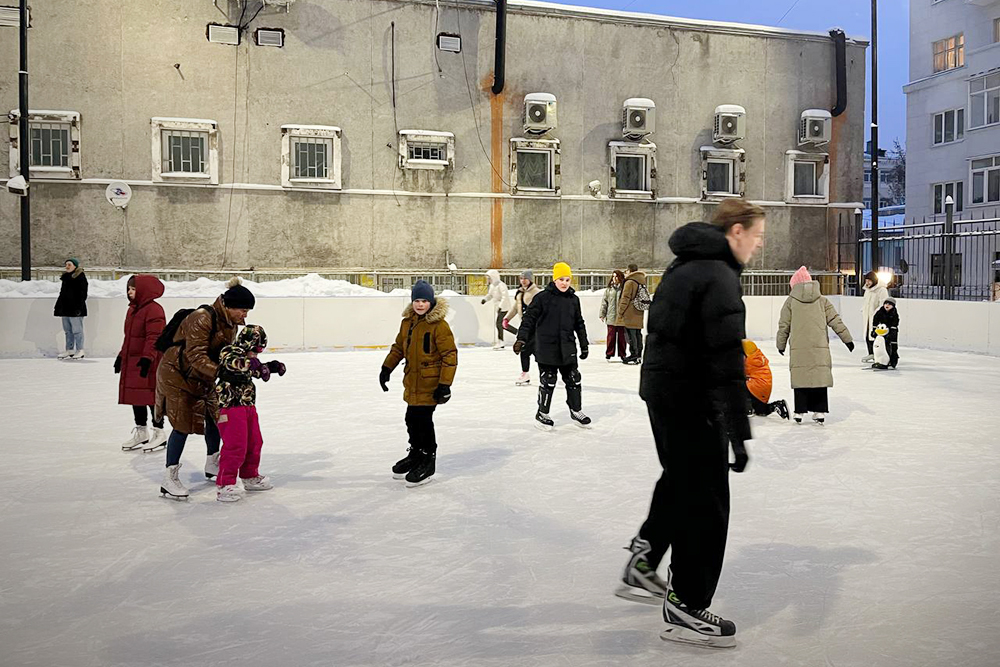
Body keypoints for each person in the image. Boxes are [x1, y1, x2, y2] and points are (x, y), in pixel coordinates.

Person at [617, 198, 766, 649]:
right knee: (708, 503)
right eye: (756, 235)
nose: (758, 245)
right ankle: (685, 606)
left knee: (682, 482)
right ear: (735, 232)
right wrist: (739, 433)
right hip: (693, 401)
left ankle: (644, 557)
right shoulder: (718, 275)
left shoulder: (685, 266)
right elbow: (725, 361)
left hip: (664, 396)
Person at [156, 277, 252, 500]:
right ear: (229, 306)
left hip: (202, 375)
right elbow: (195, 354)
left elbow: (225, 352)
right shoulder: (202, 318)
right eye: (243, 310)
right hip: (177, 374)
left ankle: (212, 463)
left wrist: (242, 366)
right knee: (182, 423)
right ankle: (169, 477)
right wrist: (221, 371)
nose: (245, 315)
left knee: (214, 415)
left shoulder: (231, 323)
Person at [380, 280, 458, 487]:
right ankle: (415, 453)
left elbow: (449, 355)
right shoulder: (408, 323)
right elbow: (398, 348)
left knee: (422, 421)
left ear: (431, 302)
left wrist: (445, 384)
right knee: (411, 419)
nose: (420, 304)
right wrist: (386, 368)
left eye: (424, 300)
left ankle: (428, 459)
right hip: (412, 381)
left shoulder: (439, 325)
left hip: (430, 383)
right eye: (417, 300)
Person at [514, 262, 590, 431]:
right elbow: (529, 320)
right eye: (561, 279)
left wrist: (584, 344)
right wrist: (521, 339)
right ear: (554, 279)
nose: (564, 283)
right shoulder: (542, 298)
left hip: (568, 347)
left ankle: (576, 410)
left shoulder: (573, 300)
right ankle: (542, 413)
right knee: (548, 380)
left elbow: (579, 323)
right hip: (547, 348)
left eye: (568, 279)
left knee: (573, 379)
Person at [215, 324, 286, 502]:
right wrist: (254, 366)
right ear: (247, 344)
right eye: (254, 350)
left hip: (247, 406)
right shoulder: (229, 352)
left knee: (255, 442)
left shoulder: (249, 359)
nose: (255, 354)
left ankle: (249, 476)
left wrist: (272, 367)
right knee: (235, 445)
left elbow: (254, 368)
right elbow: (236, 364)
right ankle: (225, 483)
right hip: (230, 407)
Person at [776, 266, 854, 424]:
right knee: (819, 377)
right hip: (819, 347)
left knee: (801, 377)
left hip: (799, 348)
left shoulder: (790, 302)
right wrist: (847, 339)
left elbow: (784, 325)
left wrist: (781, 344)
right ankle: (819, 411)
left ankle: (799, 411)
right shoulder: (822, 301)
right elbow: (835, 320)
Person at [117, 275, 168, 452]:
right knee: (135, 396)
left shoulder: (154, 310)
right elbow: (129, 338)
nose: (129, 292)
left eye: (133, 289)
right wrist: (121, 356)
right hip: (133, 360)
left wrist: (148, 358)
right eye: (128, 289)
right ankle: (141, 432)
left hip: (150, 361)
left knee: (151, 397)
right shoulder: (132, 310)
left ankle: (159, 432)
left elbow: (154, 337)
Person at [504, 270, 542, 385]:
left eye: (525, 278)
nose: (523, 281)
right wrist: (507, 318)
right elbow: (516, 307)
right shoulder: (520, 293)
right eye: (521, 279)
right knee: (525, 350)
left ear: (530, 279)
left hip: (536, 327)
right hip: (525, 327)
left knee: (535, 351)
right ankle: (526, 373)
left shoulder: (537, 293)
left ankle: (543, 372)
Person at [742, 340, 789, 420]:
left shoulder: (749, 361)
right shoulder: (757, 356)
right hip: (764, 388)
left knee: (737, 385)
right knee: (761, 411)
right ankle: (776, 405)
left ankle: (748, 408)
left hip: (756, 387)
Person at [54, 258, 88, 359]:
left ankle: (80, 349)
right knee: (68, 331)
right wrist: (58, 306)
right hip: (65, 309)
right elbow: (62, 294)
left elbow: (83, 294)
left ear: (75, 266)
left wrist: (78, 308)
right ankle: (69, 349)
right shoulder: (65, 278)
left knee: (77, 330)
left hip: (76, 309)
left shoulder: (80, 277)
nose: (67, 266)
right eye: (66, 264)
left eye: (69, 264)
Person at [616, 263, 648, 365]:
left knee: (630, 334)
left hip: (630, 312)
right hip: (638, 311)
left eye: (627, 271)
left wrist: (620, 312)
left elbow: (625, 298)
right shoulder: (641, 281)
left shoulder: (629, 282)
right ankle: (639, 355)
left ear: (630, 271)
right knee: (638, 334)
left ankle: (633, 355)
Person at [860, 271, 889, 363]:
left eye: (869, 281)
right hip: (867, 316)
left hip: (877, 318)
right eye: (866, 280)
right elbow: (866, 302)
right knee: (867, 335)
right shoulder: (867, 290)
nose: (867, 283)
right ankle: (871, 353)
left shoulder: (881, 290)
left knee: (876, 335)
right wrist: (863, 309)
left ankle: (879, 354)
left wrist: (877, 314)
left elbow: (883, 304)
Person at [482, 269, 513, 350]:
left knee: (499, 324)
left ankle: (501, 341)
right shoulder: (492, 286)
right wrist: (485, 299)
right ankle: (517, 333)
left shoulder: (501, 285)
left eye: (489, 278)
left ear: (493, 277)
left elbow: (504, 296)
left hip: (504, 307)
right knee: (502, 324)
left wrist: (501, 306)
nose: (488, 280)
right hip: (498, 307)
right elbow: (490, 295)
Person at [600, 270, 627, 362]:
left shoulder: (624, 289)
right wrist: (602, 314)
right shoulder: (609, 290)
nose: (614, 278)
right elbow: (604, 303)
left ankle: (622, 354)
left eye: (616, 276)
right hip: (611, 317)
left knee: (622, 338)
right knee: (611, 337)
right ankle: (609, 353)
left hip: (621, 318)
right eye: (613, 276)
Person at [871, 297, 900, 369]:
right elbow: (875, 321)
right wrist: (874, 331)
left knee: (892, 347)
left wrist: (892, 332)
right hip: (881, 332)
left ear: (893, 306)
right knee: (880, 347)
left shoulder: (894, 314)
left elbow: (895, 323)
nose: (887, 305)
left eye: (890, 304)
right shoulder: (880, 312)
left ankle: (892, 362)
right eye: (886, 303)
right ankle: (878, 361)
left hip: (891, 332)